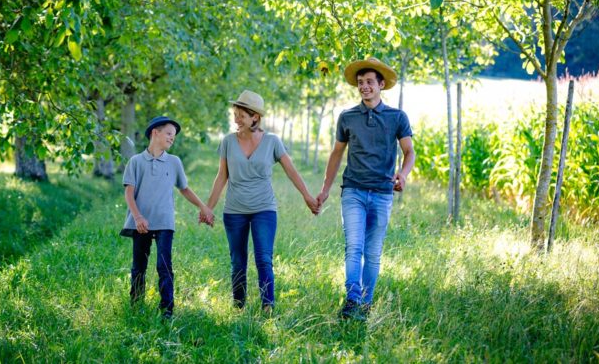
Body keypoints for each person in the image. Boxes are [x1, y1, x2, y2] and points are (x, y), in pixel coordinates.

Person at [317, 57, 415, 320]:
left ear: (381, 85)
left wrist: (403, 175)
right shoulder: (347, 117)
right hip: (353, 192)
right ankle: (352, 301)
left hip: (382, 194)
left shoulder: (397, 117)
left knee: (372, 252)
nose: (364, 87)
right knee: (354, 248)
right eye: (360, 83)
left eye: (370, 82)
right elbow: (337, 154)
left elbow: (409, 152)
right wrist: (325, 188)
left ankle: (366, 304)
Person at [206, 90, 320, 313]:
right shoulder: (228, 142)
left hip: (264, 209)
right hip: (234, 210)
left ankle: (268, 306)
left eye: (241, 115)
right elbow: (222, 176)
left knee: (263, 259)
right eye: (235, 114)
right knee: (237, 261)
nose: (236, 119)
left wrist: (307, 196)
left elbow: (291, 171)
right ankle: (238, 306)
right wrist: (208, 208)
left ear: (255, 117)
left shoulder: (272, 142)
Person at [120, 116, 214, 319]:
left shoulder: (174, 162)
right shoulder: (136, 161)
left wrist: (203, 207)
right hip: (141, 223)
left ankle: (167, 310)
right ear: (155, 132)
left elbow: (185, 189)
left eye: (174, 136)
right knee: (139, 267)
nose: (173, 138)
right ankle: (136, 308)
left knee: (164, 265)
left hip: (164, 222)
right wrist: (137, 217)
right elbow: (129, 192)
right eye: (169, 134)